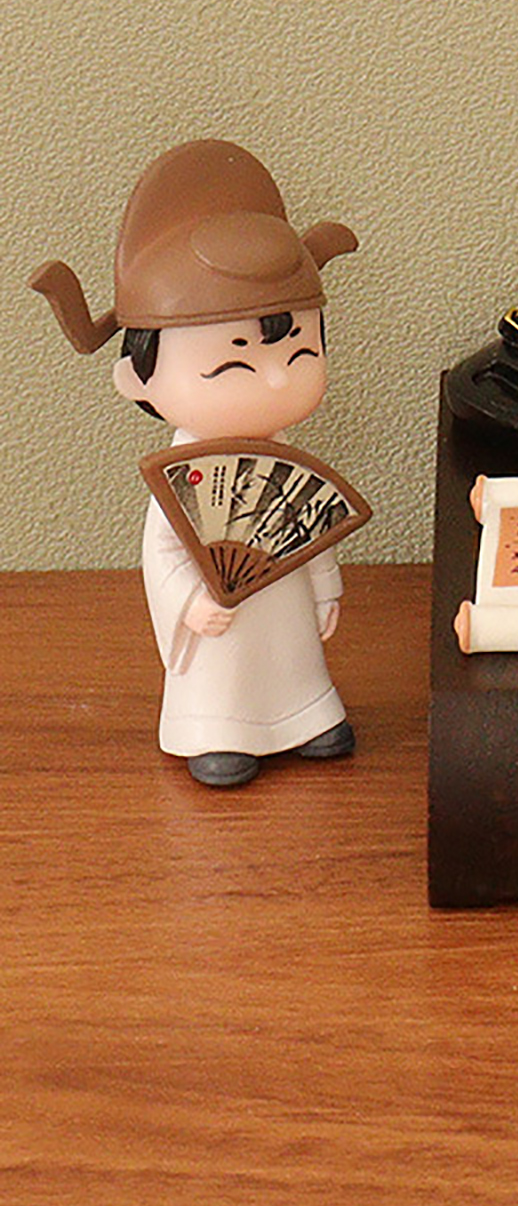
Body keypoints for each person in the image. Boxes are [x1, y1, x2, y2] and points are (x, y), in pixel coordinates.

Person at [31, 140, 362, 787]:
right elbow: (161, 553)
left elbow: (309, 530)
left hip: (286, 606)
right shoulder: (182, 476)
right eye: (233, 364)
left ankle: (308, 715)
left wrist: (326, 587)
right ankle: (218, 730)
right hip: (218, 616)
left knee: (293, 653)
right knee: (225, 662)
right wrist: (188, 602)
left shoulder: (285, 458)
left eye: (300, 353)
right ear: (138, 379)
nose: (276, 380)